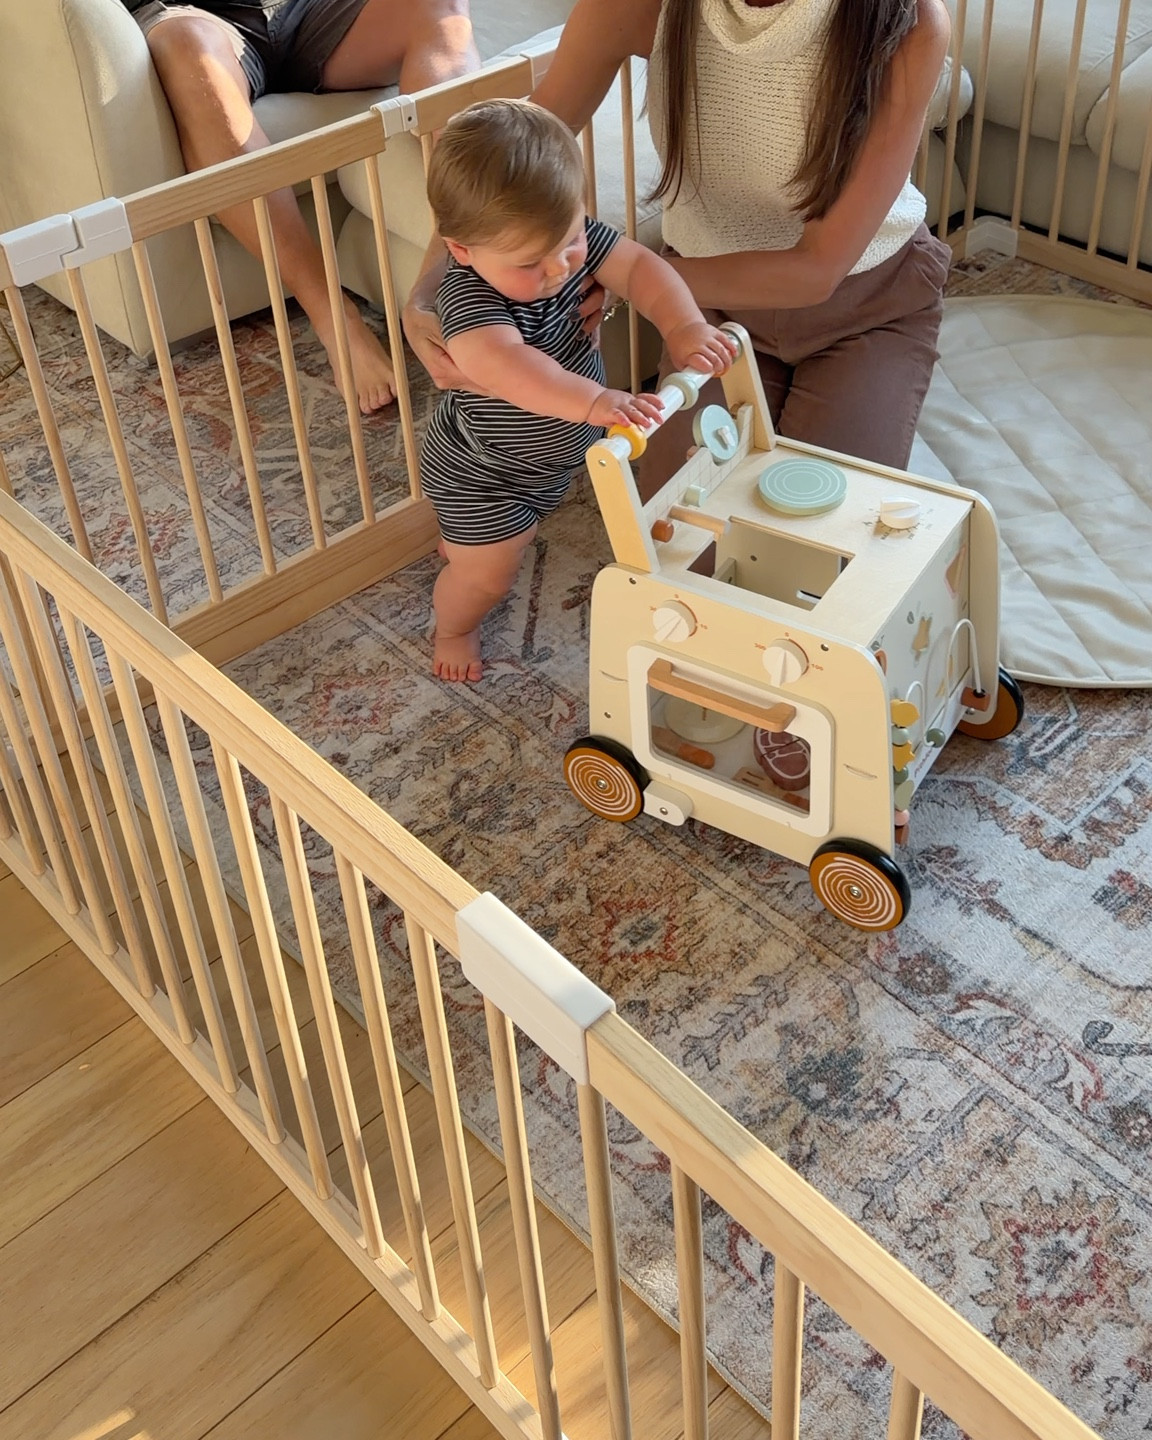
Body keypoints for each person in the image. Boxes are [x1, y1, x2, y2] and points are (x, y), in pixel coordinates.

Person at [404, 0, 953, 484]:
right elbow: (500, 171)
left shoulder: (908, 21)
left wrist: (621, 274)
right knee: (684, 539)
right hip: (710, 308)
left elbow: (817, 270)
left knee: (817, 545)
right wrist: (425, 293)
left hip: (867, 306)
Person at [420, 98, 735, 682]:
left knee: (495, 543)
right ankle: (453, 625)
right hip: (486, 470)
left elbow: (641, 268)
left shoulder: (566, 244)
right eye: (529, 263)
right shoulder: (469, 302)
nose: (559, 270)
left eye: (570, 241)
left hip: (550, 459)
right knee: (490, 572)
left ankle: (461, 543)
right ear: (460, 251)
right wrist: (594, 403)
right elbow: (514, 369)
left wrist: (685, 325)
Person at [123, 0, 479, 414]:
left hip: (307, 8)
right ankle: (334, 318)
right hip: (195, 15)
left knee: (439, 6)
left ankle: (465, 252)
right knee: (188, 47)